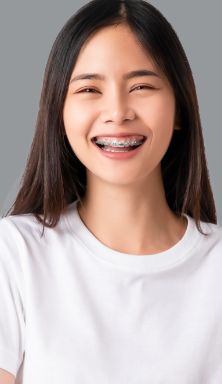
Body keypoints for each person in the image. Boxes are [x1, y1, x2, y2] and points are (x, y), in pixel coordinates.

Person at [0, 0, 221, 382]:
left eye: (141, 86)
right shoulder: (15, 254)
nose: (118, 112)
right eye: (89, 89)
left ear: (181, 109)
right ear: (59, 112)